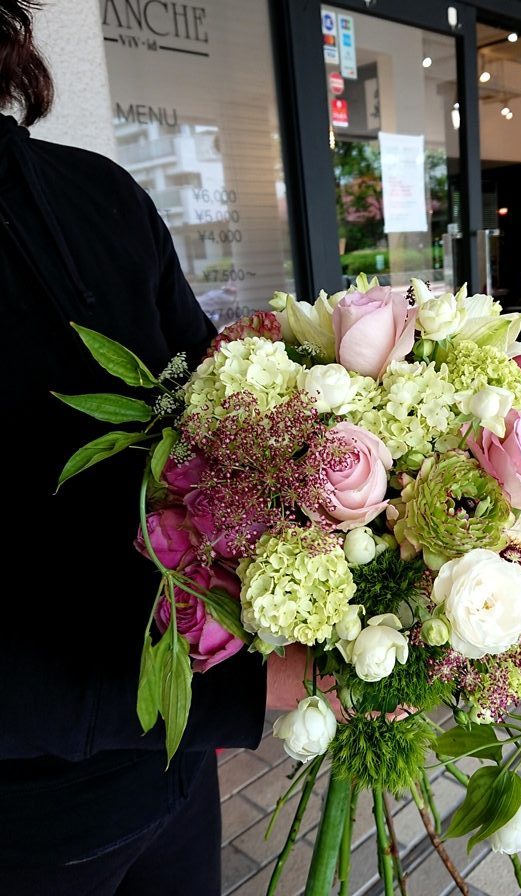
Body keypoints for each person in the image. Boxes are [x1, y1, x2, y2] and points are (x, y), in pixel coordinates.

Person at [0, 2, 303, 892]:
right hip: (26, 835)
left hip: (175, 771)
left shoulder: (94, 193)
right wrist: (254, 691)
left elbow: (198, 410)